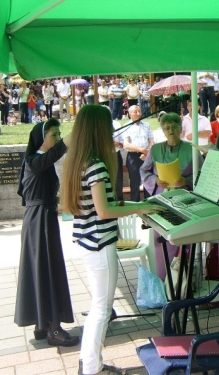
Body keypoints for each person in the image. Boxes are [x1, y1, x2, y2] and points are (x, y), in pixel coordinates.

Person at [59, 105, 161, 375]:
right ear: (99, 129)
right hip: (100, 244)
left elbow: (98, 205)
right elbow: (104, 211)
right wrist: (140, 207)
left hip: (87, 242)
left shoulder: (79, 160)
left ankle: (90, 362)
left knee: (98, 306)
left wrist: (127, 205)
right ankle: (92, 368)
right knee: (102, 309)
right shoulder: (96, 164)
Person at [14, 119, 79, 347]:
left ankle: (41, 324)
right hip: (39, 220)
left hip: (42, 218)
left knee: (41, 270)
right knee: (47, 269)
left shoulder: (38, 161)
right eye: (54, 134)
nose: (58, 138)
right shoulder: (34, 161)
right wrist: (72, 138)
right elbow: (51, 157)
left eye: (60, 134)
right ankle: (54, 329)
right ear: (42, 139)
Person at [140, 112, 203, 280]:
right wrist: (155, 180)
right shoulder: (155, 149)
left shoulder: (192, 149)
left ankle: (182, 281)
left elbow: (202, 175)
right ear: (162, 130)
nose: (171, 131)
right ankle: (161, 279)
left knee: (184, 240)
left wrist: (187, 180)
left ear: (180, 128)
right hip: (161, 201)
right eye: (166, 128)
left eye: (174, 127)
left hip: (185, 201)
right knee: (160, 240)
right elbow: (144, 171)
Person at [123, 105, 154, 201]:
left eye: (139, 111)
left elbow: (152, 141)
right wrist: (142, 150)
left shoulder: (146, 125)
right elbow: (126, 145)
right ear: (130, 114)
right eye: (135, 111)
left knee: (148, 181)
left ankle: (148, 204)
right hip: (133, 157)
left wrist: (146, 152)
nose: (138, 113)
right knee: (135, 183)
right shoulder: (126, 126)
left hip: (146, 156)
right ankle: (135, 206)